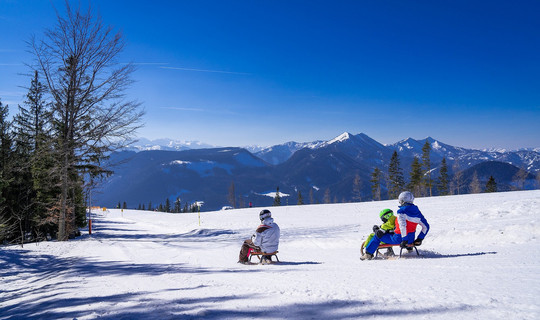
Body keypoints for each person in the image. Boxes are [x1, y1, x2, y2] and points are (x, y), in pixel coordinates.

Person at [360, 191, 430, 261]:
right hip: (411, 240)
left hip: (399, 239)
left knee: (377, 236)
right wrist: (419, 239)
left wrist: (404, 240)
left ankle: (368, 254)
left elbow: (403, 226)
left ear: (402, 201)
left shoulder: (401, 212)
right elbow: (426, 227)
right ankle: (409, 250)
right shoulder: (417, 212)